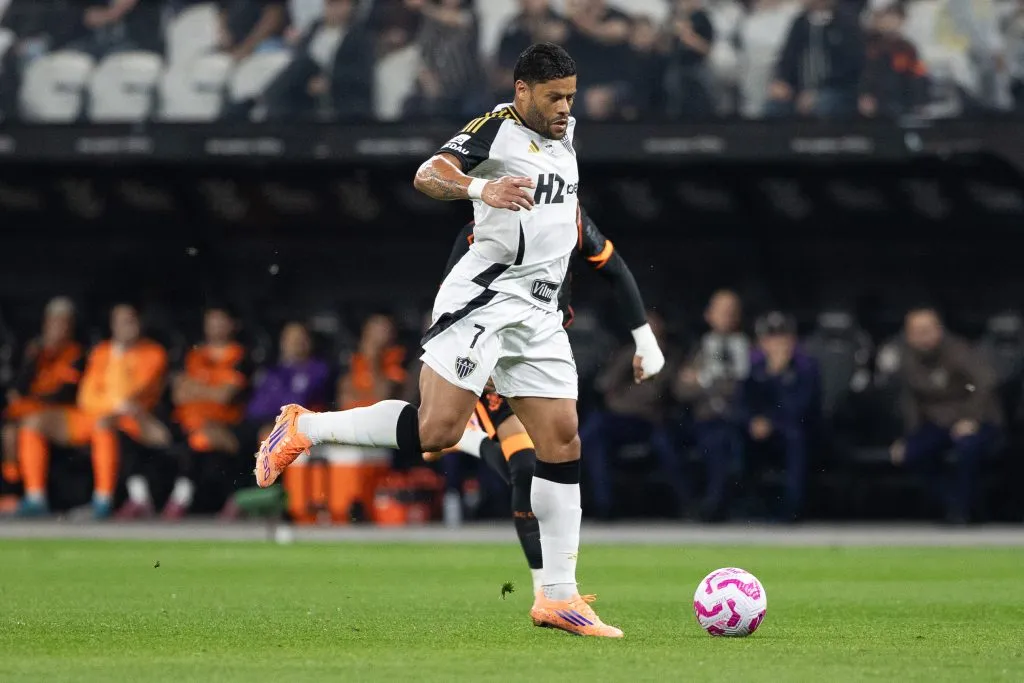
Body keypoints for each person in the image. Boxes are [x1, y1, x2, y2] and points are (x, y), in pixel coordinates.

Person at [254, 42, 626, 638]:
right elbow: (429, 173)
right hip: (484, 297)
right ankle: (303, 427)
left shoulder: (566, 132)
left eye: (571, 97)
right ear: (521, 92)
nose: (564, 108)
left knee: (562, 437)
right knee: (438, 431)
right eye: (554, 97)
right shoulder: (493, 131)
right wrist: (482, 192)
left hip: (538, 312)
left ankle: (557, 597)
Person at [425, 203, 665, 590]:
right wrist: (466, 360)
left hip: (532, 354)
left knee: (535, 467)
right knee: (493, 458)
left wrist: (645, 342)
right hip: (487, 352)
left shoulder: (569, 215)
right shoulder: (481, 230)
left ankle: (547, 590)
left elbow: (614, 269)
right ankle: (547, 590)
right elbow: (447, 306)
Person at [890, 307, 1002, 523]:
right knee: (911, 454)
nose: (922, 337)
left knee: (967, 448)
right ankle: (954, 503)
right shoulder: (907, 359)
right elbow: (910, 402)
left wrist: (972, 418)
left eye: (926, 330)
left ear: (938, 330)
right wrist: (908, 437)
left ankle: (962, 511)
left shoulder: (959, 351)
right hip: (938, 423)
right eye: (916, 332)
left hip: (976, 418)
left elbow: (985, 383)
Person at [163, 305, 250, 519]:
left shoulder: (241, 357)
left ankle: (182, 497)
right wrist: (211, 389)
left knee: (204, 439)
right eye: (211, 321)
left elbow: (225, 396)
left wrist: (196, 388)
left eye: (220, 320)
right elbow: (178, 394)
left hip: (224, 424)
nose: (215, 327)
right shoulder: (194, 354)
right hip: (186, 422)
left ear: (233, 324)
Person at [735, 311, 820, 521]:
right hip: (759, 433)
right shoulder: (753, 368)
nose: (777, 344)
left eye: (782, 337)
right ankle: (746, 506)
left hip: (795, 431)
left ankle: (791, 509)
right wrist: (752, 422)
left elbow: (800, 409)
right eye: (771, 338)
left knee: (795, 439)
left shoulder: (806, 368)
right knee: (733, 438)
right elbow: (741, 404)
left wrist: (777, 376)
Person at [674, 289, 749, 521]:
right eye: (721, 311)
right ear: (709, 315)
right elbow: (681, 389)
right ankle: (699, 505)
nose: (727, 316)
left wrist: (703, 379)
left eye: (731, 312)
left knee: (725, 442)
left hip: (738, 420)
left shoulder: (748, 347)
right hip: (704, 420)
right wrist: (710, 382)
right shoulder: (699, 348)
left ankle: (715, 506)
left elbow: (742, 386)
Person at [9, 297, 85, 516]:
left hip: (62, 415)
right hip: (28, 413)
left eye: (63, 322)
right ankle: (15, 494)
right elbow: (17, 389)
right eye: (53, 322)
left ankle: (34, 497)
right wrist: (34, 357)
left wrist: (35, 400)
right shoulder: (35, 351)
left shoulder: (76, 353)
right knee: (10, 432)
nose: (57, 328)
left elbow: (65, 393)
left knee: (32, 423)